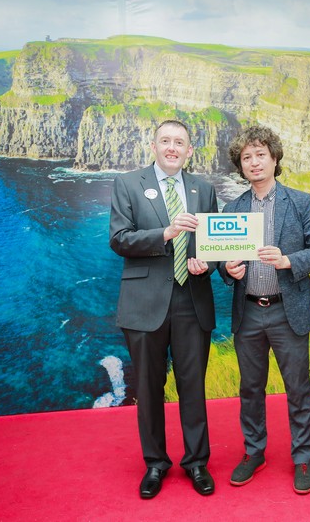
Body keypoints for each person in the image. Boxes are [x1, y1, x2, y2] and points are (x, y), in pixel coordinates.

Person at [109, 120, 218, 499]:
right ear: (153, 146)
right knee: (149, 387)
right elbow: (119, 239)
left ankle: (197, 462)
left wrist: (206, 263)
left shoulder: (204, 189)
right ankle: (155, 463)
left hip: (193, 301)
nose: (172, 148)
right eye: (166, 141)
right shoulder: (127, 184)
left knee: (193, 386)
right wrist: (166, 233)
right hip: (144, 305)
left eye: (180, 142)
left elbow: (212, 243)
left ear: (190, 151)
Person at [220, 125, 310, 495]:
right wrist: (228, 269)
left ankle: (303, 457)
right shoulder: (233, 208)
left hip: (288, 311)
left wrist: (288, 261)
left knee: (298, 389)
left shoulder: (300, 202)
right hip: (248, 312)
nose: (254, 162)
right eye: (246, 157)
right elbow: (223, 260)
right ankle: (254, 452)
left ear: (274, 158)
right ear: (240, 165)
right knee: (250, 389)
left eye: (260, 155)